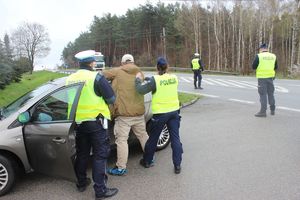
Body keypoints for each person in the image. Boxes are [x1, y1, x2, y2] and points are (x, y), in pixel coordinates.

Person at [66, 50, 118, 200]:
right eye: (94, 61)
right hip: (96, 122)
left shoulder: (70, 78)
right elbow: (111, 98)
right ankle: (100, 190)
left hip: (79, 123)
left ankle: (81, 182)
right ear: (91, 63)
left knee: (82, 153)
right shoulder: (96, 77)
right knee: (100, 155)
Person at [102, 54, 149, 176]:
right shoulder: (140, 73)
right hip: (138, 112)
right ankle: (149, 159)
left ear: (122, 63)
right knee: (143, 136)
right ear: (133, 62)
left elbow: (101, 75)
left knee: (122, 141)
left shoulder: (117, 71)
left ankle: (121, 167)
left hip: (124, 115)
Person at [135, 57, 183, 174]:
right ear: (167, 67)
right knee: (175, 139)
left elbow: (140, 90)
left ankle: (147, 161)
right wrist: (150, 79)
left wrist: (137, 80)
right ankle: (177, 165)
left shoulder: (154, 80)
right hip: (174, 112)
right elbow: (164, 82)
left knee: (153, 139)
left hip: (161, 114)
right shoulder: (174, 78)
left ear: (157, 68)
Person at [252, 43, 278, 117]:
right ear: (267, 49)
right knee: (270, 93)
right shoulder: (273, 56)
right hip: (271, 78)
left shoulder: (259, 56)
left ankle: (263, 112)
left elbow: (253, 66)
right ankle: (272, 110)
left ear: (261, 49)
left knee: (263, 95)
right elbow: (276, 67)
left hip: (262, 78)